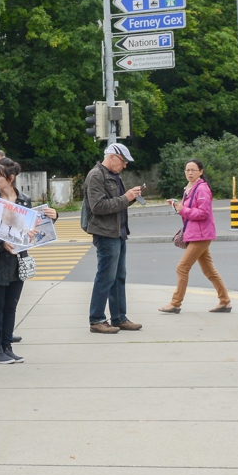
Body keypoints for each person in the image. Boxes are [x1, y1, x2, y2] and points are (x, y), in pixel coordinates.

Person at [0, 157, 55, 364]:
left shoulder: (24, 200)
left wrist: (54, 216)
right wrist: (1, 243)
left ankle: (7, 345)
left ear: (11, 178)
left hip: (19, 259)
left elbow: (36, 226)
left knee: (12, 305)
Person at [83, 143, 144, 334]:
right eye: (123, 161)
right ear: (112, 157)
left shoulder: (112, 176)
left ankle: (119, 318)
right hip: (105, 233)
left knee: (118, 277)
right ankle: (97, 319)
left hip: (117, 232)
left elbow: (115, 204)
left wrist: (130, 198)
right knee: (106, 276)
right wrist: (126, 198)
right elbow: (98, 206)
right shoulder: (96, 175)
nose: (125, 166)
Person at [158, 159, 231, 314]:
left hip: (202, 234)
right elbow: (188, 209)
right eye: (187, 170)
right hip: (195, 234)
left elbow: (203, 213)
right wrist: (177, 206)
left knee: (182, 267)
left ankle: (175, 303)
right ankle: (225, 301)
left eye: (193, 170)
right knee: (209, 270)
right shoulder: (189, 188)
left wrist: (182, 209)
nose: (190, 173)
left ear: (201, 172)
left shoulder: (202, 189)